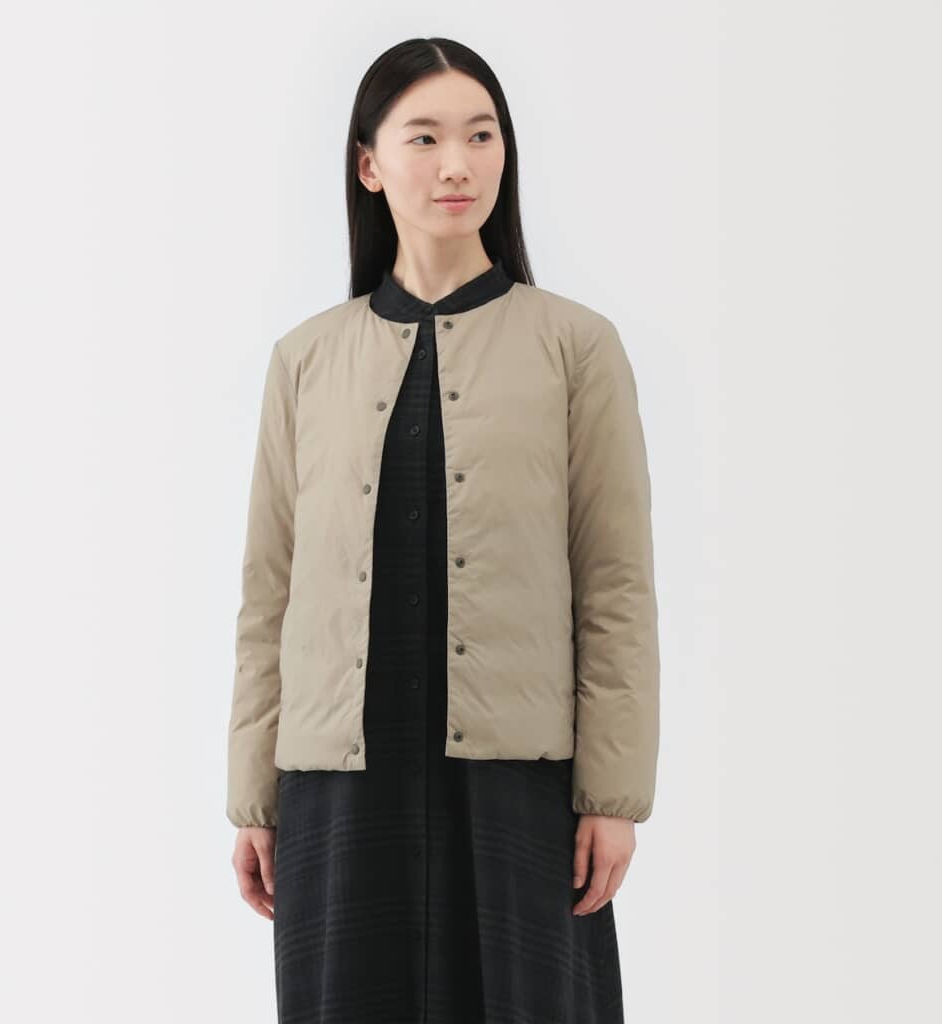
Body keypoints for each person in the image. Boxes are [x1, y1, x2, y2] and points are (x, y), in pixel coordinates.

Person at [227, 36, 660, 1024]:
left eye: (480, 135)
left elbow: (614, 584)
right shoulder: (305, 360)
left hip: (523, 780)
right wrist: (253, 797)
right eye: (423, 138)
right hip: (340, 782)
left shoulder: (575, 346)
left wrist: (612, 794)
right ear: (369, 165)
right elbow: (268, 593)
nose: (457, 164)